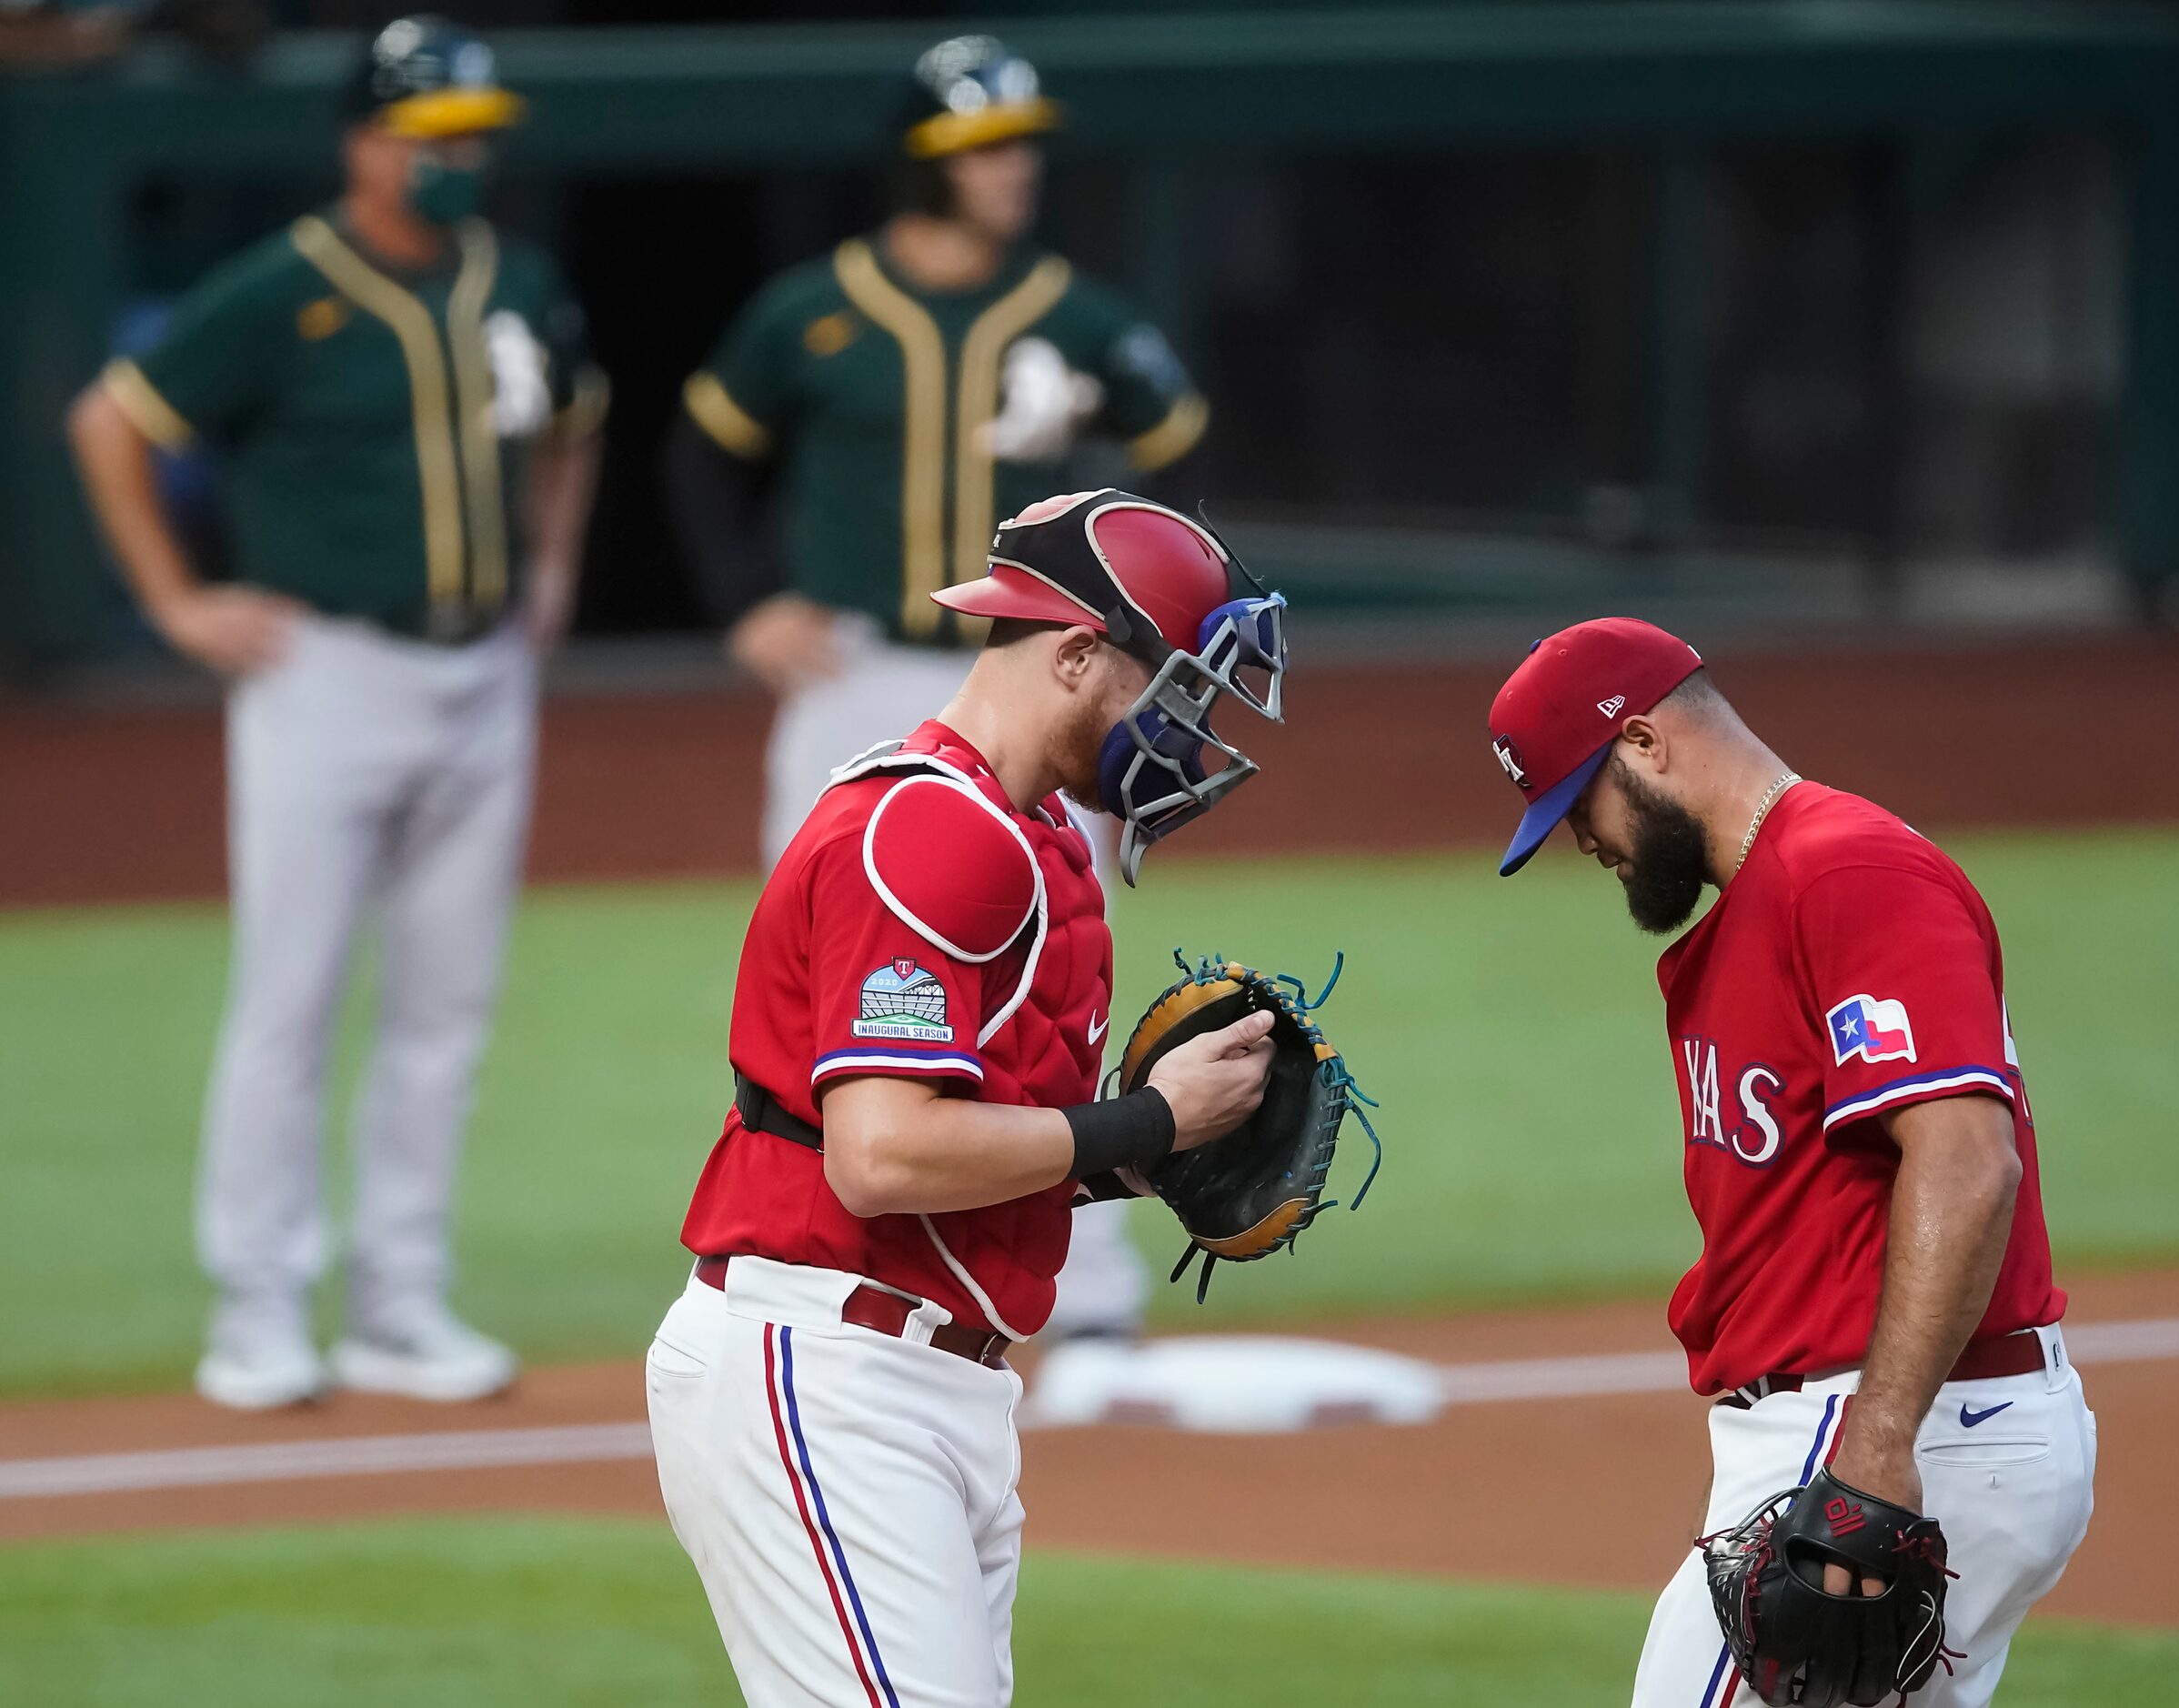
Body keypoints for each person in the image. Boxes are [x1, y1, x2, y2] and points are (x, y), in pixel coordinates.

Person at [647, 488, 1286, 1706]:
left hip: (926, 1378)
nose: (1195, 736)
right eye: (1182, 691)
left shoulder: (1025, 827)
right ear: (1080, 654)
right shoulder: (933, 831)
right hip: (829, 1367)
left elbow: (969, 1143)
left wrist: (1151, 1149)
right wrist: (1145, 1120)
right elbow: (880, 1155)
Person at [64, 15, 606, 1410]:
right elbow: (111, 423)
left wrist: (548, 566)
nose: (459, 158)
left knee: (445, 1004)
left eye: (473, 135)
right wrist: (178, 604)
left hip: (482, 674)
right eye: (432, 135)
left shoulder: (518, 281)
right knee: (290, 998)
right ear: (365, 142)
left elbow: (575, 418)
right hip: (327, 673)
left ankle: (399, 1300)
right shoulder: (282, 287)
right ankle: (256, 1307)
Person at [667, 33, 1209, 1351]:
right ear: (921, 161)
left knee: (1061, 957)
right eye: (983, 148)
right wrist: (746, 599)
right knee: (843, 964)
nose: (1013, 169)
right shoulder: (815, 308)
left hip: (1042, 677)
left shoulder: (1074, 312)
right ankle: (833, 1240)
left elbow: (1178, 445)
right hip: (859, 662)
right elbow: (700, 449)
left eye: (1022, 144)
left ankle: (1088, 1283)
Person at [1487, 619, 2095, 1707]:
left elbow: (1966, 1161)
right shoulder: (1770, 896)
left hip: (1891, 1429)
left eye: (1578, 801)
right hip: (1890, 1425)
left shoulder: (1844, 870)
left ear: (1643, 742)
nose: (1580, 839)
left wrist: (1872, 1451)